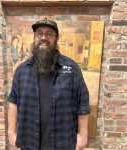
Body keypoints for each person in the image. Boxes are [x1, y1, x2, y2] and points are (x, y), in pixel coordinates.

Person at [8, 18, 91, 150]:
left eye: (49, 34)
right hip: (28, 142)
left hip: (63, 143)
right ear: (35, 37)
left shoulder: (71, 68)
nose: (43, 37)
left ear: (56, 38)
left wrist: (83, 136)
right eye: (39, 33)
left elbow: (83, 103)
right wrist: (11, 134)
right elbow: (13, 101)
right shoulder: (22, 70)